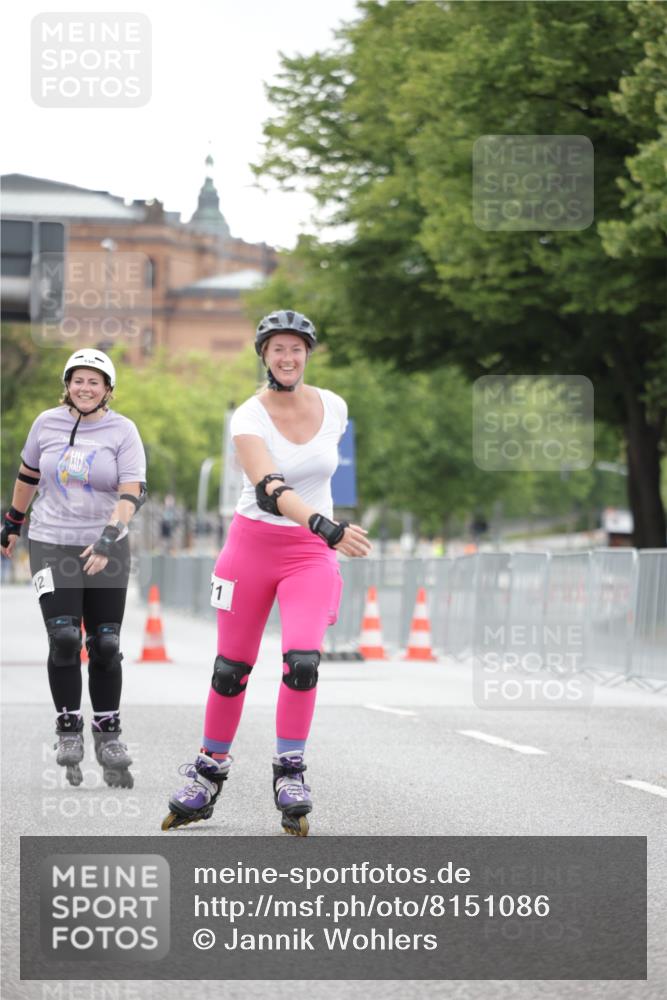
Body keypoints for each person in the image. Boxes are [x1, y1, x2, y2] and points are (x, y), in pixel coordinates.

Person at [162, 310, 371, 836]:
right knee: (230, 670)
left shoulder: (335, 408)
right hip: (252, 548)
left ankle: (290, 771)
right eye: (277, 349)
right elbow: (270, 489)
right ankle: (208, 771)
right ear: (264, 356)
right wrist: (327, 525)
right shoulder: (249, 417)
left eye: (296, 348)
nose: (287, 357)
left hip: (309, 554)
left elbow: (320, 472)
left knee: (302, 662)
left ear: (307, 354)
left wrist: (321, 533)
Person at [1, 349, 147, 789]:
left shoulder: (123, 430)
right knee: (64, 636)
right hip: (50, 541)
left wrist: (107, 537)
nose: (85, 388)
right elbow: (28, 475)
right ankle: (68, 728)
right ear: (67, 384)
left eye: (94, 382)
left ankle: (108, 732)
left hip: (107, 544)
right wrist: (12, 522)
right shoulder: (46, 423)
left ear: (108, 390)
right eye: (78, 380)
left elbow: (132, 490)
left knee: (104, 642)